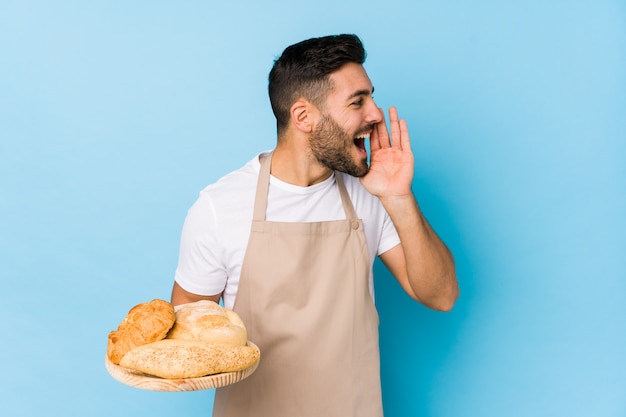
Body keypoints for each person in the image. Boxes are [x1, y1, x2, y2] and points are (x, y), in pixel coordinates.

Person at [170, 34, 459, 417]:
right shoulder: (219, 208)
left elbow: (441, 296)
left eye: (371, 97)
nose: (374, 114)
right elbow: (187, 323)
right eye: (358, 101)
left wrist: (398, 197)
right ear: (304, 116)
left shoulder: (369, 195)